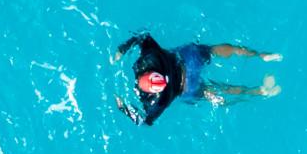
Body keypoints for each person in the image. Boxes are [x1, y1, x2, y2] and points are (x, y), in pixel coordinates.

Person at [112, 33, 281, 125]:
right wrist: (124, 47)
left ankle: (260, 92)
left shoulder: (158, 101)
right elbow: (143, 36)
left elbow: (144, 120)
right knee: (215, 51)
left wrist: (122, 107)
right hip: (189, 60)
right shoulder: (153, 56)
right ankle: (263, 56)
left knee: (216, 94)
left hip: (187, 87)